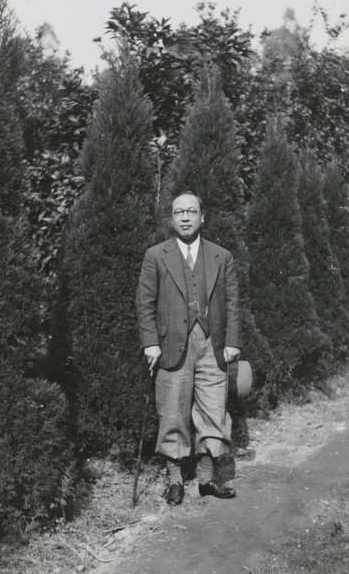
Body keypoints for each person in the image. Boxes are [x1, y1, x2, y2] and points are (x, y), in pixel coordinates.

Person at [135, 190, 242, 505]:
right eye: (179, 212)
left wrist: (233, 342)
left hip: (213, 345)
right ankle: (175, 481)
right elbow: (144, 304)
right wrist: (151, 343)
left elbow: (233, 303)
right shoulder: (156, 255)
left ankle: (207, 480)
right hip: (171, 346)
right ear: (172, 218)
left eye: (191, 212)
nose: (185, 217)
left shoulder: (222, 256)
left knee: (213, 412)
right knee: (173, 413)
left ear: (202, 217)